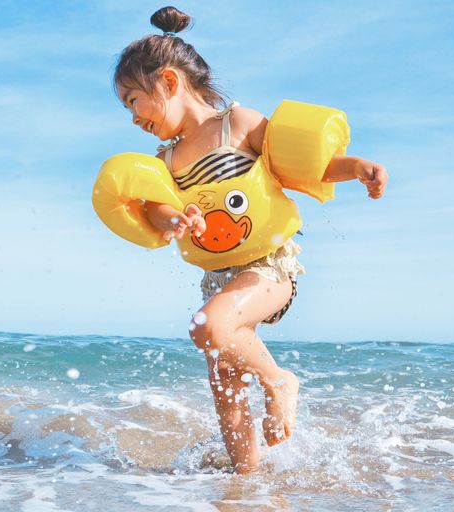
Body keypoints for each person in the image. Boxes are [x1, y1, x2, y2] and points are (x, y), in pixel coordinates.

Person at [110, 6, 387, 474]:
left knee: (206, 328)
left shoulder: (236, 125)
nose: (133, 117)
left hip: (270, 267)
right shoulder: (166, 158)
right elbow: (156, 207)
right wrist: (175, 218)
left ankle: (280, 382)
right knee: (226, 387)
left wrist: (356, 166)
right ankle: (246, 485)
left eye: (133, 100)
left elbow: (301, 166)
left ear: (170, 83)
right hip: (217, 278)